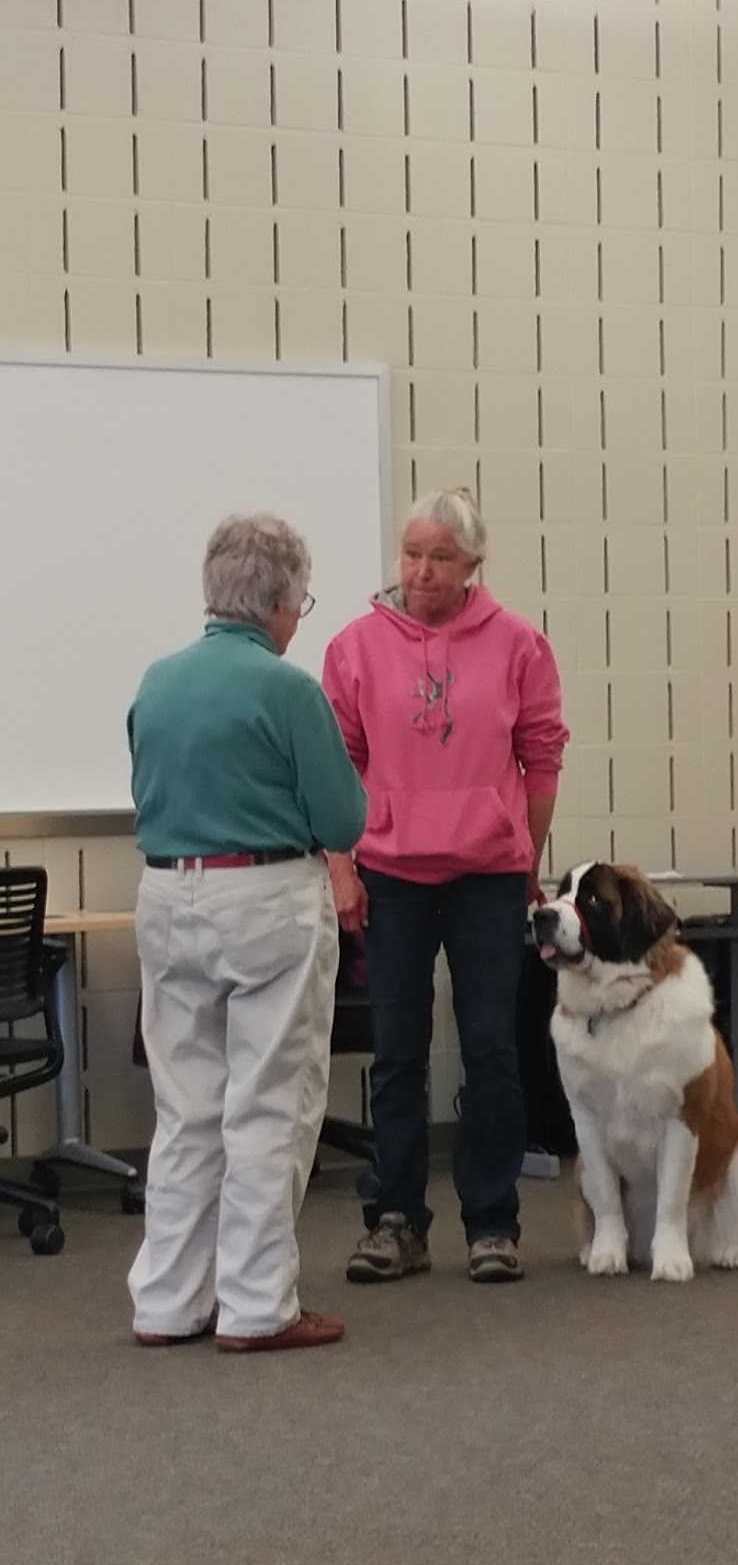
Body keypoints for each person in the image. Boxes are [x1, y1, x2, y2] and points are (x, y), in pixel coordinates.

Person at [127, 513, 367, 1352]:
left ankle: (167, 1300)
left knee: (186, 1110)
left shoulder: (157, 680)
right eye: (300, 601)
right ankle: (259, 1306)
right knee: (268, 1107)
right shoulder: (289, 689)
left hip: (166, 898)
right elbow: (343, 816)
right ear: (275, 603)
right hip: (266, 900)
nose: (299, 616)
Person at [322, 488, 569, 1284]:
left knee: (493, 1048)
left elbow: (542, 753)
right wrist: (340, 864)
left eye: (441, 558)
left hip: (488, 876)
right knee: (397, 1051)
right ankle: (396, 1219)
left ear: (472, 567)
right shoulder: (356, 646)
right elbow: (338, 764)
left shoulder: (519, 644)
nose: (422, 572)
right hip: (389, 871)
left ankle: (492, 1224)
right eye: (412, 554)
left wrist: (526, 851)